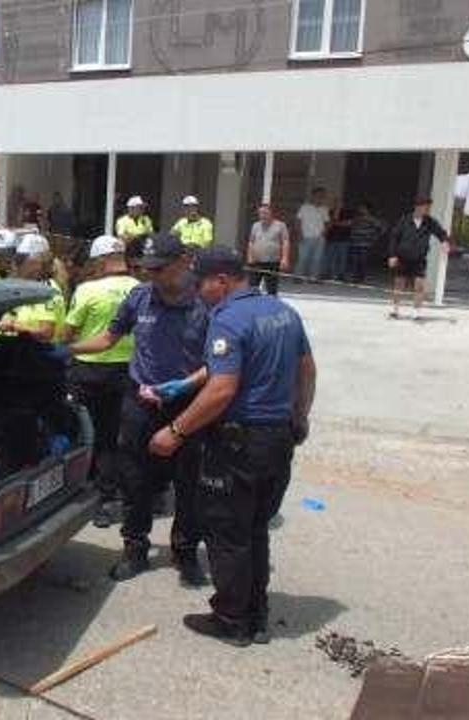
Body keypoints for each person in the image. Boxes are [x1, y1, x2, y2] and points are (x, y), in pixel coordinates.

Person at [149, 246, 316, 647]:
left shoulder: (226, 318)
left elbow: (222, 389)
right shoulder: (281, 311)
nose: (198, 292)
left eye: (201, 284)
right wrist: (300, 415)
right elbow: (306, 368)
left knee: (228, 533)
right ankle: (256, 615)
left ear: (221, 281)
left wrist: (175, 430)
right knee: (257, 529)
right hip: (278, 438)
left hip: (239, 443)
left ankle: (231, 619)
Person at [68, 234, 208, 587]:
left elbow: (219, 363)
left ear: (183, 261)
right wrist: (67, 348)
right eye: (147, 269)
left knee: (189, 481)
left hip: (188, 401)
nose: (152, 276)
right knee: (134, 476)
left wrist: (184, 385)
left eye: (159, 268)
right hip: (140, 399)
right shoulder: (139, 296)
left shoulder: (205, 301)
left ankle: (186, 551)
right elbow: (108, 338)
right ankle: (135, 548)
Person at [60, 235, 139, 528]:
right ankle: (122, 493)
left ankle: (98, 496)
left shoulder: (87, 290)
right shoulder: (140, 289)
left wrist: (62, 348)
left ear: (99, 261)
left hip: (91, 371)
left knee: (92, 433)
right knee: (121, 434)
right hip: (131, 371)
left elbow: (68, 334)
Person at [387, 196, 451, 320]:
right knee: (399, 284)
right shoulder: (404, 220)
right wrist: (392, 255)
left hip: (419, 260)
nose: (427, 210)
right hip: (402, 258)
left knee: (419, 286)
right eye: (425, 207)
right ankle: (395, 310)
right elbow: (394, 238)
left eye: (428, 208)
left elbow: (441, 233)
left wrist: (445, 242)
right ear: (417, 207)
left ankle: (417, 313)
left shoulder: (430, 221)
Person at [0, 233, 64, 343]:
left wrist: (13, 326)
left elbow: (46, 333)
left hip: (41, 355)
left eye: (20, 260)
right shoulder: (31, 288)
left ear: (37, 263)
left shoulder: (44, 291)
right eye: (14, 260)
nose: (14, 265)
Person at [246, 204, 291, 295]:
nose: (262, 215)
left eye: (265, 213)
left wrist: (284, 258)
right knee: (252, 288)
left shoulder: (280, 225)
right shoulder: (255, 225)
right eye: (260, 213)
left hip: (272, 261)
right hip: (256, 261)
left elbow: (285, 242)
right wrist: (250, 256)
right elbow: (251, 242)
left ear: (271, 213)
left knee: (271, 289)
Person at [294, 187, 330, 280]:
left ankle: (313, 277)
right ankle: (298, 277)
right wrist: (299, 234)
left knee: (317, 259)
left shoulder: (324, 208)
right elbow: (298, 221)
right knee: (303, 258)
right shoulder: (304, 207)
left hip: (320, 238)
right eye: (319, 195)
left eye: (322, 196)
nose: (321, 197)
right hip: (306, 237)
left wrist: (325, 232)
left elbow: (327, 222)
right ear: (313, 196)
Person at [347, 203, 386, 284]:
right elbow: (349, 225)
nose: (360, 209)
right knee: (354, 261)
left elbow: (383, 228)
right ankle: (355, 277)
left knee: (363, 261)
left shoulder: (372, 219)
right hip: (355, 242)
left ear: (367, 209)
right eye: (360, 208)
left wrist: (375, 237)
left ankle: (362, 278)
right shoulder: (356, 218)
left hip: (365, 244)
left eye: (362, 208)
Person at [116, 196, 155, 268]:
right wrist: (139, 236)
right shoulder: (122, 221)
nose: (142, 210)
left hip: (144, 251)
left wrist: (133, 235)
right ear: (131, 208)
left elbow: (151, 235)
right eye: (139, 208)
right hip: (129, 251)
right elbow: (123, 237)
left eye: (142, 208)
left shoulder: (146, 219)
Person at [325, 199, 353, 282]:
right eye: (336, 203)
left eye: (340, 203)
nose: (338, 204)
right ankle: (330, 275)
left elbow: (348, 223)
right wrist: (336, 218)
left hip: (344, 239)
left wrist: (335, 223)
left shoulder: (348, 213)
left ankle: (341, 275)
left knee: (342, 259)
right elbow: (328, 223)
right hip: (332, 239)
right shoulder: (330, 212)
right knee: (331, 258)